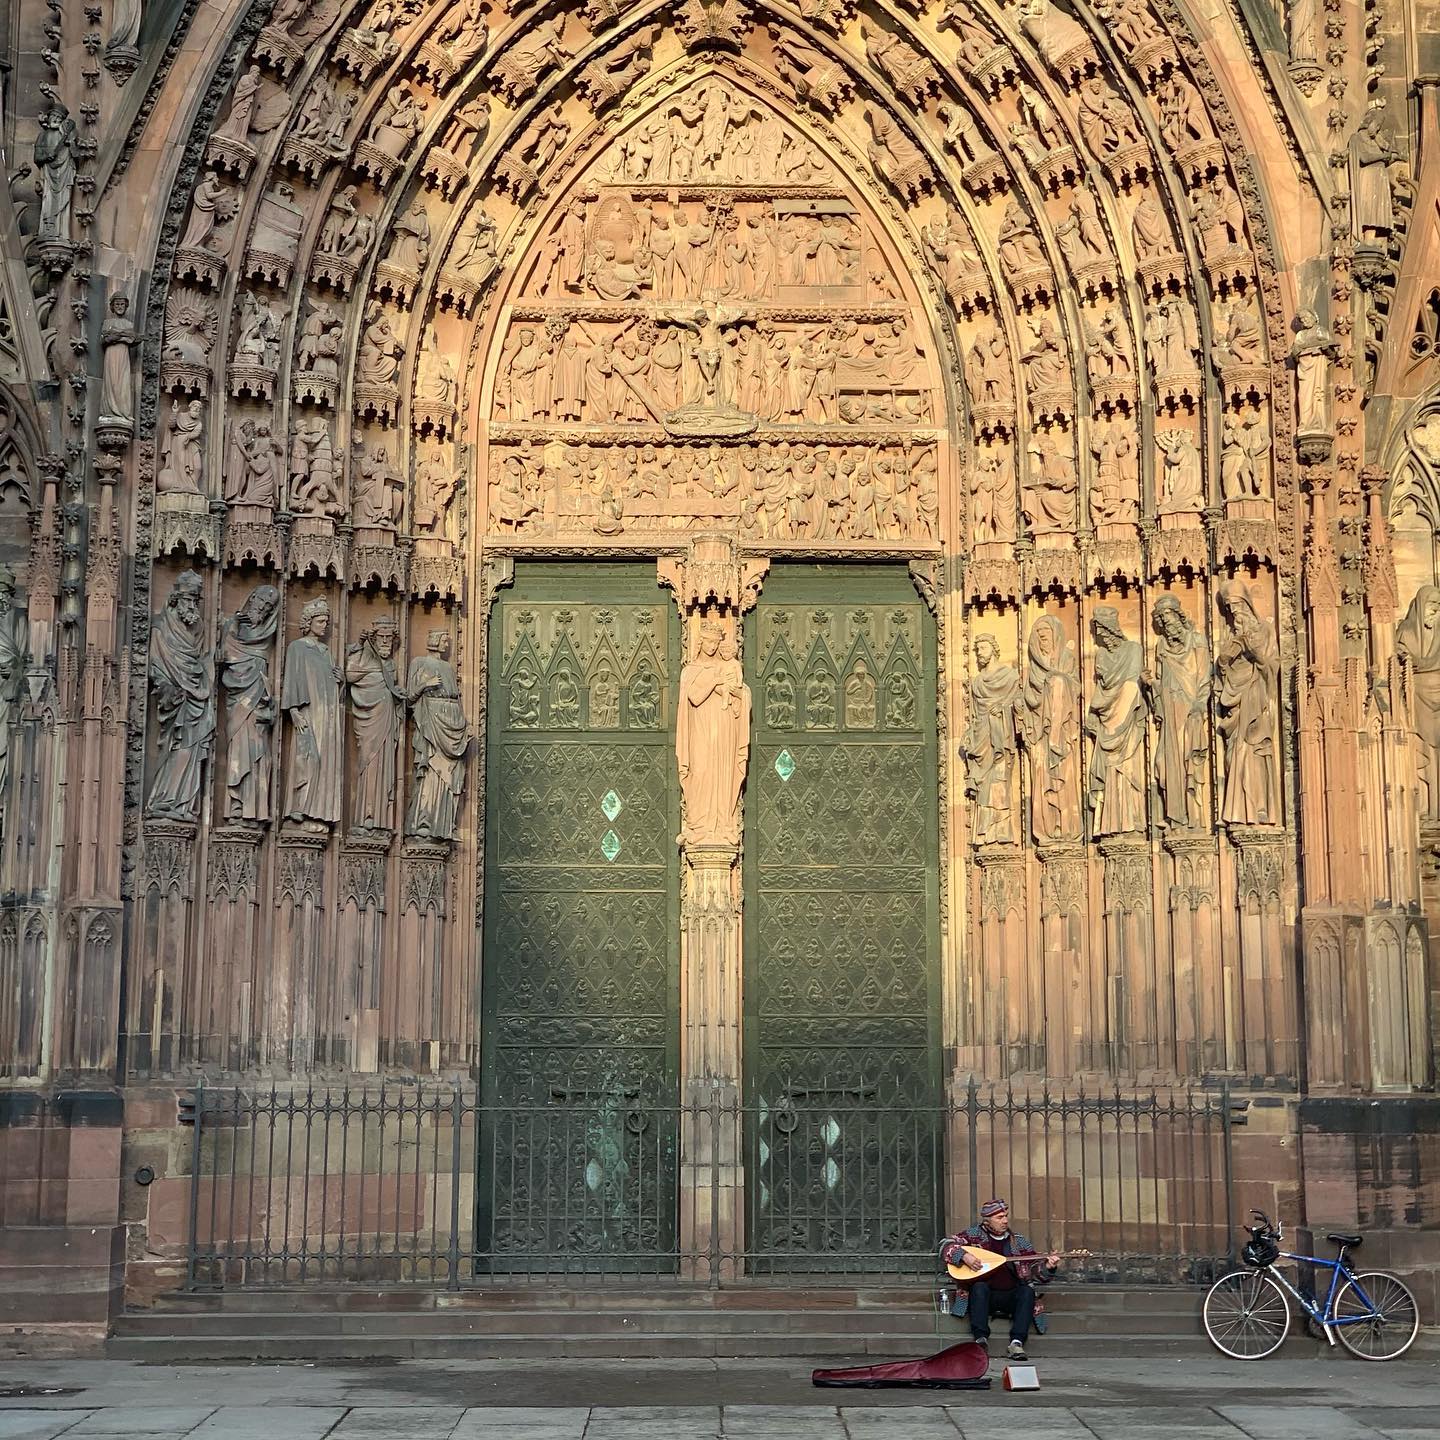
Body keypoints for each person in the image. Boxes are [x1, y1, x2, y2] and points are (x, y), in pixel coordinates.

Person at [941, 1198, 1060, 1361]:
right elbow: (945, 1244)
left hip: (1010, 1295)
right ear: (987, 1221)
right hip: (984, 1297)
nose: (1005, 1221)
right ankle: (980, 1340)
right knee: (979, 1287)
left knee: (1027, 1291)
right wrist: (964, 1256)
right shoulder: (973, 1235)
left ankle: (1017, 1343)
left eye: (1006, 1216)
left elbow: (1035, 1272)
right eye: (999, 1217)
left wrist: (1048, 1266)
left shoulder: (1018, 1241)